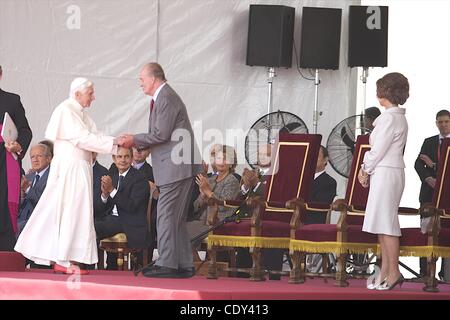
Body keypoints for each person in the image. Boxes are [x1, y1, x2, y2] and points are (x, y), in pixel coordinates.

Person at [15, 77, 122, 274]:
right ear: (78, 93)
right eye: (91, 93)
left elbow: (95, 136)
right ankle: (63, 260)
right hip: (70, 170)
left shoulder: (82, 114)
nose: (94, 97)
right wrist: (114, 142)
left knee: (77, 214)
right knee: (68, 213)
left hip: (80, 169)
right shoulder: (66, 110)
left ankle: (69, 259)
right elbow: (83, 138)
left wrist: (115, 141)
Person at [120, 63, 202, 278]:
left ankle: (166, 263)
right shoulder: (164, 97)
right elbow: (162, 135)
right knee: (175, 217)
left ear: (154, 78)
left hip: (176, 166)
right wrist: (139, 143)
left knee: (165, 215)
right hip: (178, 165)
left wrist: (134, 139)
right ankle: (184, 264)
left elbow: (161, 134)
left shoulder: (165, 97)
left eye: (142, 79)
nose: (140, 83)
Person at [358, 72, 409, 290]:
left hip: (386, 171)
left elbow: (377, 150)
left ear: (383, 93)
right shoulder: (396, 116)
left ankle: (393, 271)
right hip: (388, 171)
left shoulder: (389, 118)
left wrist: (364, 169)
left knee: (387, 223)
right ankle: (386, 273)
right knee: (382, 222)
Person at [94, 147, 150, 270]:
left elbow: (131, 206)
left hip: (129, 222)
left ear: (131, 159)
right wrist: (104, 195)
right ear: (114, 159)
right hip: (111, 220)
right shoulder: (112, 176)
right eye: (119, 157)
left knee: (93, 227)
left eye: (126, 157)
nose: (123, 160)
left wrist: (111, 190)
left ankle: (90, 265)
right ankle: (104, 266)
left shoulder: (140, 178)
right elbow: (101, 207)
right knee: (89, 223)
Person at [0, 64, 33, 251]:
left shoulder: (12, 100)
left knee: (4, 204)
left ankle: (4, 250)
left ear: (1, 75)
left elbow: (25, 130)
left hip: (5, 158)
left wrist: (19, 144)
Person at [414, 109, 450, 279]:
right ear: (436, 123)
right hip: (428, 195)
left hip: (448, 196)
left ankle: (445, 273)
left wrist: (434, 165)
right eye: (440, 122)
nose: (443, 125)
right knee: (426, 232)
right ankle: (425, 273)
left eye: (446, 122)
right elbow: (418, 163)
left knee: (446, 234)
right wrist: (428, 177)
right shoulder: (429, 141)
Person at [188, 145, 240, 244]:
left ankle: (194, 259)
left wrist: (208, 192)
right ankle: (196, 259)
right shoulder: (210, 180)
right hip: (203, 220)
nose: (221, 162)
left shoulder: (232, 180)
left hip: (218, 222)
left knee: (183, 232)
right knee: (177, 229)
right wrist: (203, 196)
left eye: (225, 159)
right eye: (219, 158)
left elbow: (224, 205)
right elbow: (195, 207)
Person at [16, 143, 52, 237]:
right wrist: (22, 193)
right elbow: (19, 203)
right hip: (20, 217)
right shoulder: (28, 177)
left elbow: (46, 203)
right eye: (32, 157)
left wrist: (27, 189)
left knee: (16, 229)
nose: (35, 160)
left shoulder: (53, 177)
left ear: (49, 158)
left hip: (39, 220)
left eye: (39, 156)